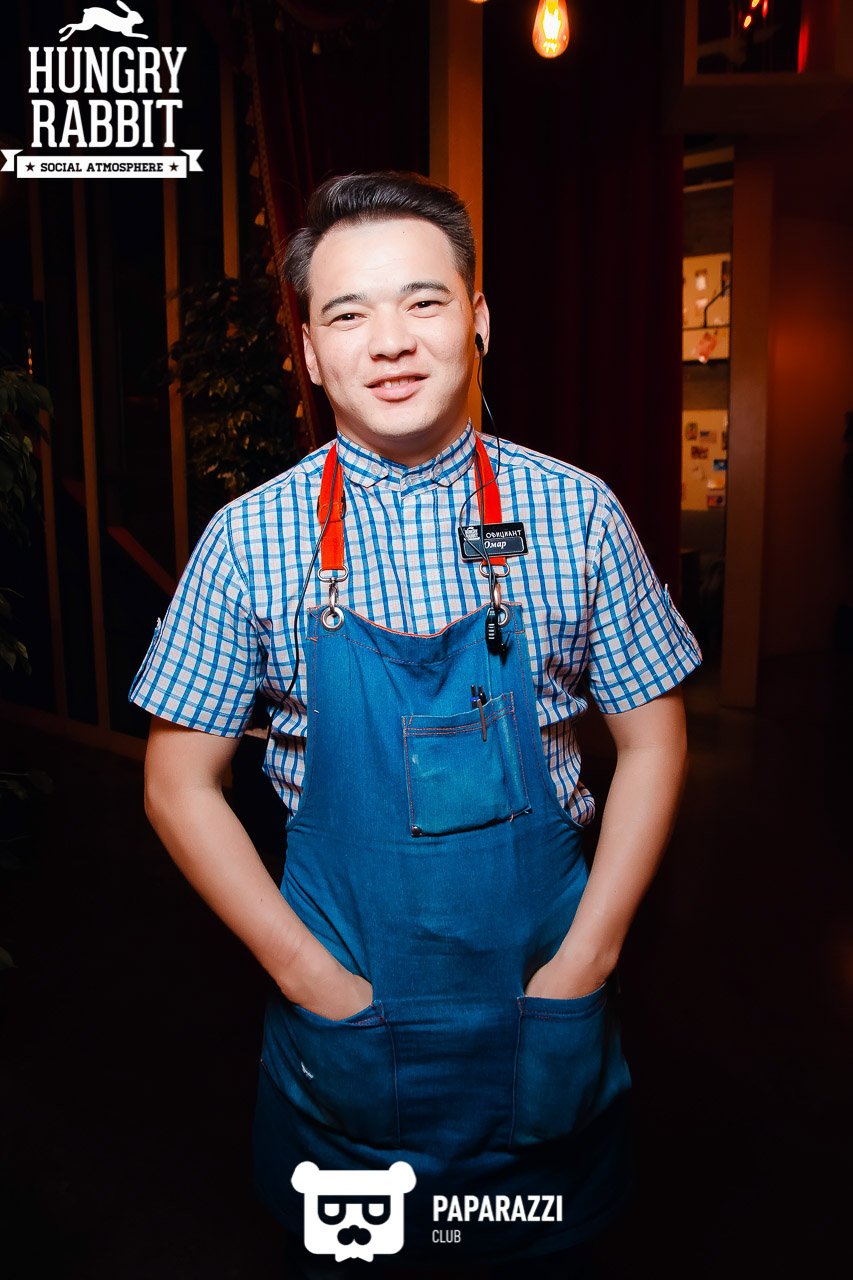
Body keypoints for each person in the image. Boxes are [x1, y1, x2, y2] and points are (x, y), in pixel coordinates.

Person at [129, 171, 702, 1278]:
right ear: (309, 351)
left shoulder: (577, 512)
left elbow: (654, 737)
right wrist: (309, 980)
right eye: (347, 314)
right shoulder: (247, 540)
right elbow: (176, 784)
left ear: (477, 317)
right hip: (348, 1000)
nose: (389, 341)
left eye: (423, 301)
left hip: (543, 993)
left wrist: (588, 959)